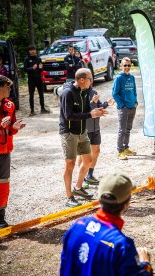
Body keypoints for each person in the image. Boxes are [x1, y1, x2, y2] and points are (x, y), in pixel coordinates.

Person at [60, 171, 153, 276]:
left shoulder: (77, 226)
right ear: (127, 204)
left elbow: (65, 266)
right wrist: (145, 263)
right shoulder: (121, 245)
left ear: (100, 200)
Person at [59, 68, 108, 207]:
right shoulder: (67, 93)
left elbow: (87, 111)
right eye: (90, 79)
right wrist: (90, 115)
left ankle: (78, 188)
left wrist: (96, 110)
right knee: (70, 164)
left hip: (82, 132)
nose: (91, 81)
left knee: (88, 160)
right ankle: (69, 197)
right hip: (69, 132)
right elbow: (68, 115)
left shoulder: (86, 92)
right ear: (81, 80)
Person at [0, 75, 26, 228]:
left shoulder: (10, 105)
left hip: (4, 152)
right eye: (7, 87)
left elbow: (10, 128)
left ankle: (0, 218)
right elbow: (0, 127)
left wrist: (14, 127)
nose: (10, 90)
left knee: (2, 185)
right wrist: (0, 126)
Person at [77, 87, 115, 186]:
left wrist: (106, 103)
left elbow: (98, 106)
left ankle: (89, 175)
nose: (90, 81)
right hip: (85, 129)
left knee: (96, 151)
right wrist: (91, 102)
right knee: (83, 154)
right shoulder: (78, 93)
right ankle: (82, 178)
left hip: (96, 128)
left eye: (91, 79)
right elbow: (82, 110)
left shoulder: (93, 92)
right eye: (89, 79)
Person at [112, 57, 138, 160]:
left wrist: (135, 101)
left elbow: (134, 90)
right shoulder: (119, 78)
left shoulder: (132, 77)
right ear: (121, 66)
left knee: (128, 129)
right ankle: (120, 151)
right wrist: (122, 105)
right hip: (123, 108)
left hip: (132, 107)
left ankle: (126, 148)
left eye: (129, 65)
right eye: (125, 65)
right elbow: (114, 93)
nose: (127, 67)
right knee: (122, 129)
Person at [24, 45, 50, 116]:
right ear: (29, 51)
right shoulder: (27, 59)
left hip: (38, 79)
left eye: (33, 50)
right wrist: (32, 68)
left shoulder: (38, 59)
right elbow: (25, 69)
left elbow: (40, 69)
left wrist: (41, 68)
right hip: (31, 80)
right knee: (31, 95)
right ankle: (32, 110)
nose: (32, 51)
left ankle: (43, 108)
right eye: (30, 50)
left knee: (41, 94)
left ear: (35, 50)